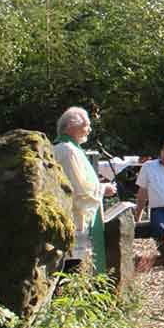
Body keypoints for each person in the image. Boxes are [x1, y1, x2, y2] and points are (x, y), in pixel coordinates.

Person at [52, 107, 117, 266]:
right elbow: (77, 189)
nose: (89, 130)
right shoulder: (67, 150)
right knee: (72, 265)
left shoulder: (69, 147)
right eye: (86, 125)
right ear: (71, 126)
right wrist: (103, 189)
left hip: (75, 216)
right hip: (75, 217)